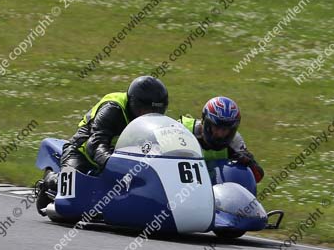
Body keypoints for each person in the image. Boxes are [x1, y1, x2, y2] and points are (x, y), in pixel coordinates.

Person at [35, 75, 169, 211]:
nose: (149, 115)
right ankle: (50, 181)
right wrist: (115, 165)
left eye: (156, 111)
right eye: (145, 110)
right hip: (82, 153)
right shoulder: (112, 109)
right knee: (75, 194)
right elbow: (95, 144)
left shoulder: (153, 121)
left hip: (119, 157)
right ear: (133, 104)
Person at [180, 96, 264, 183]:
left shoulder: (235, 141)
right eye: (216, 128)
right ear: (205, 122)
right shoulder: (182, 129)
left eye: (225, 130)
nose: (220, 134)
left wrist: (249, 163)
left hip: (215, 191)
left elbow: (258, 176)